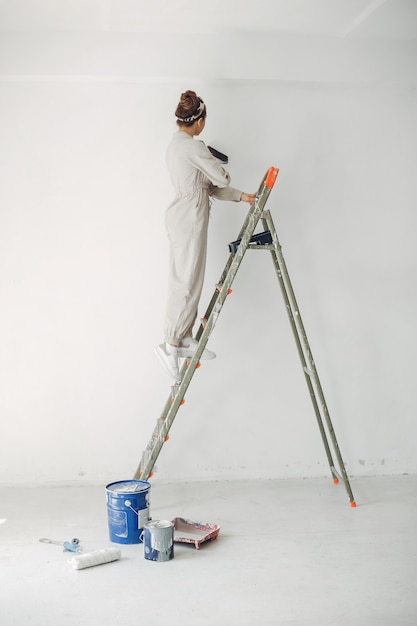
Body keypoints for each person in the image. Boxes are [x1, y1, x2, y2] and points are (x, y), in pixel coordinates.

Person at [154, 90, 256, 383]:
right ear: (198, 120)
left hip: (185, 217)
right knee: (186, 281)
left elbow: (208, 188)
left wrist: (242, 197)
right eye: (205, 119)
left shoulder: (177, 147)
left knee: (189, 279)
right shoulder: (193, 147)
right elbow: (222, 178)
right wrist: (211, 157)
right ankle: (171, 343)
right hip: (188, 220)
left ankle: (184, 338)